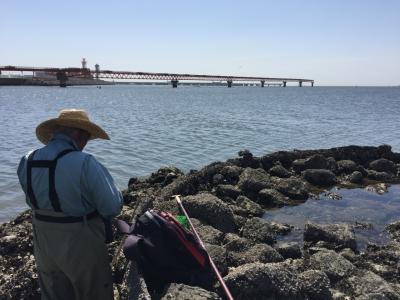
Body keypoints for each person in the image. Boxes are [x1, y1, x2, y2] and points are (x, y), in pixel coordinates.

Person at [17, 109, 123, 300]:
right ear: (79, 133)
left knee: (53, 294)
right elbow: (112, 206)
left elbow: (31, 200)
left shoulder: (27, 160)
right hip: (80, 240)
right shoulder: (86, 162)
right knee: (94, 292)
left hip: (43, 240)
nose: (85, 143)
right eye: (87, 137)